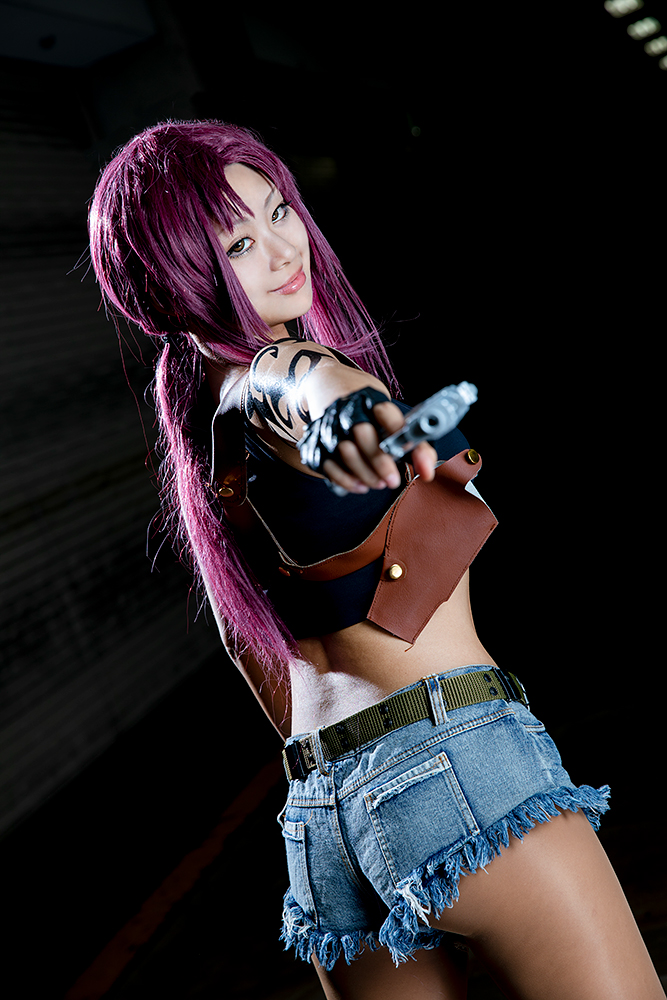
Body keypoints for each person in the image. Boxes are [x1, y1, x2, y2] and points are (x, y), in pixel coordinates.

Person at [88, 121, 663, 999]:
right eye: (238, 244)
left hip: (323, 819)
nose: (284, 250)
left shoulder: (206, 439)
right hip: (455, 764)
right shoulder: (284, 364)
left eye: (280, 212)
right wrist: (355, 417)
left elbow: (255, 653)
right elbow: (312, 387)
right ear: (175, 278)